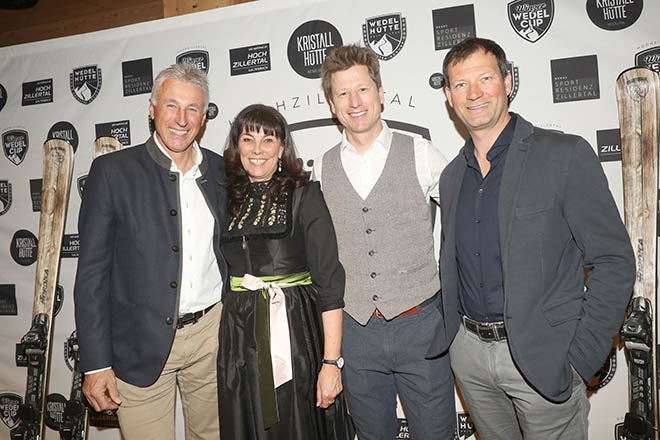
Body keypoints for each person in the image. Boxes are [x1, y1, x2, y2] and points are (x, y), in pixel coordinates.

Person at [427, 37, 636, 439]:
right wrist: (457, 347)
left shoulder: (563, 155)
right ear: (450, 99)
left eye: (485, 78)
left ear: (507, 82)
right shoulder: (452, 176)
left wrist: (581, 357)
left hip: (544, 355)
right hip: (470, 357)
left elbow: (614, 260)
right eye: (459, 84)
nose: (473, 93)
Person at [73, 63, 227, 440]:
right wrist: (95, 364)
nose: (181, 119)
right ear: (151, 107)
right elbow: (92, 274)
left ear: (205, 116)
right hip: (139, 343)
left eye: (193, 109)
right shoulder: (112, 173)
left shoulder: (223, 171)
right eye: (171, 105)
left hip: (212, 337)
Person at [314, 45, 456, 440]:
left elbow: (469, 223)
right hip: (356, 335)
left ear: (380, 92)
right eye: (343, 94)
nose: (354, 102)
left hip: (421, 328)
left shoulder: (422, 153)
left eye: (362, 90)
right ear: (331, 104)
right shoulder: (322, 167)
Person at [217, 104, 352, 440]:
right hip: (238, 336)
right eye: (248, 140)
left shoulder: (305, 195)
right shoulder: (227, 198)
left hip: (292, 334)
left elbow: (330, 284)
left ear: (282, 147)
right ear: (237, 147)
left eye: (268, 140)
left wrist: (331, 363)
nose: (258, 150)